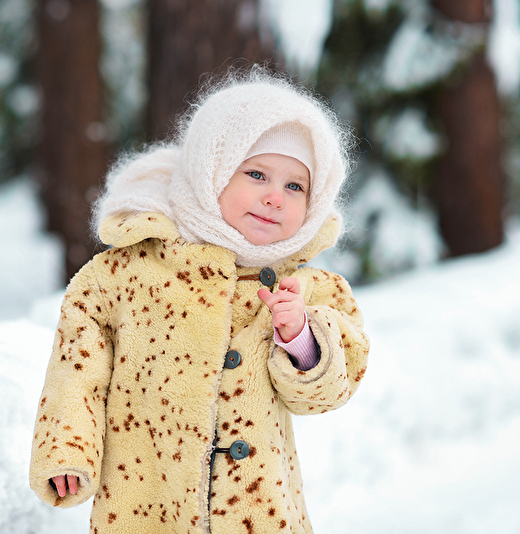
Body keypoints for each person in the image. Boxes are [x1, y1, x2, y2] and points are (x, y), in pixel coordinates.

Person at [29, 66, 370, 534]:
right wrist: (67, 448)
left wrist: (301, 338)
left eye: (296, 186)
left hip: (258, 513)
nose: (275, 197)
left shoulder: (306, 289)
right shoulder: (127, 272)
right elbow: (77, 365)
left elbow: (328, 392)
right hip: (149, 504)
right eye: (257, 174)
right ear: (212, 172)